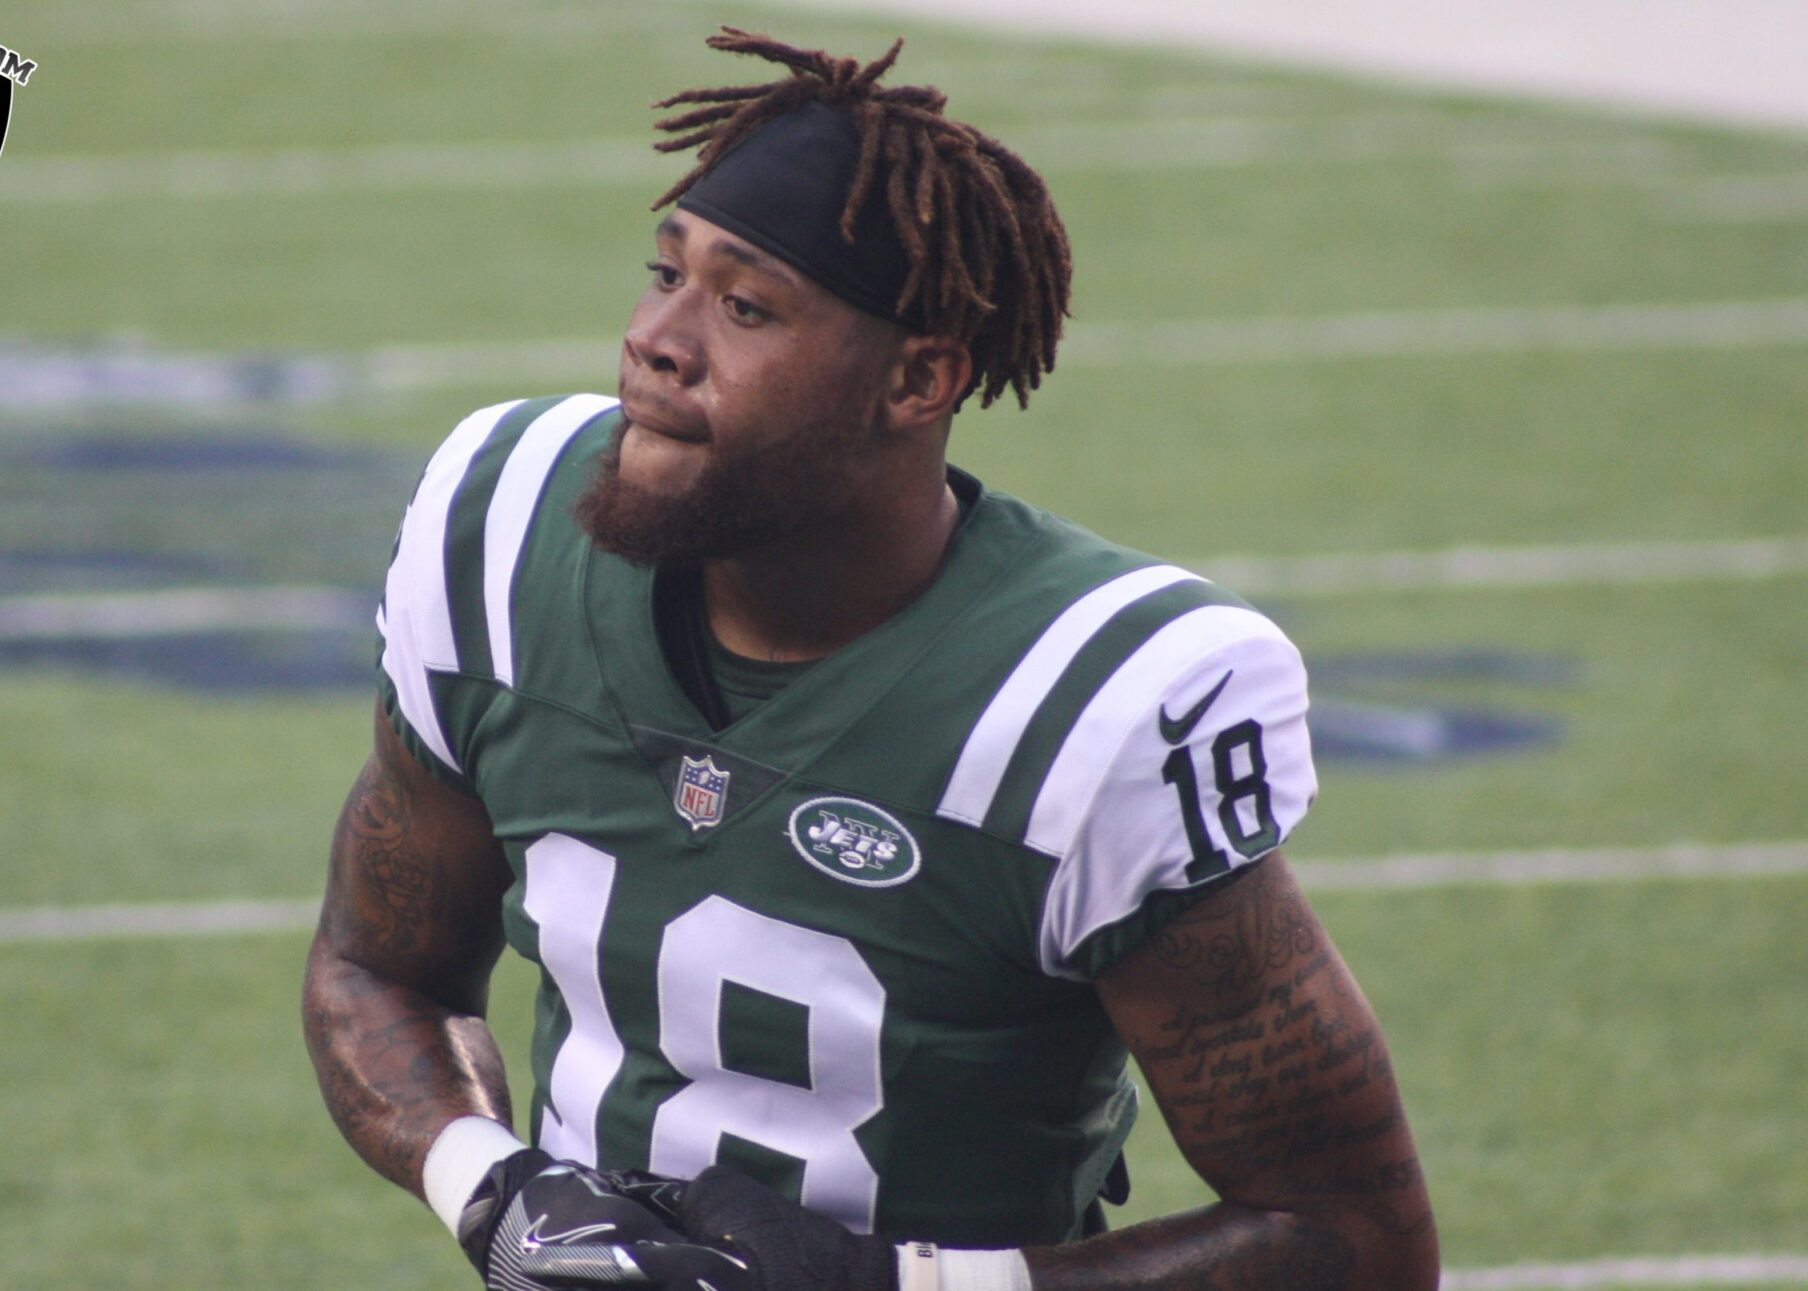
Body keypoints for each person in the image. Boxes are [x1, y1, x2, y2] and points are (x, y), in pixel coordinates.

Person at [303, 27, 1439, 1291]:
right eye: (663, 272)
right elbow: (375, 967)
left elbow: (1350, 1237)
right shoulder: (504, 531)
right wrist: (502, 1191)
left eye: (743, 306)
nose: (656, 339)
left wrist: (893, 1284)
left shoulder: (1086, 701)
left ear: (917, 379)